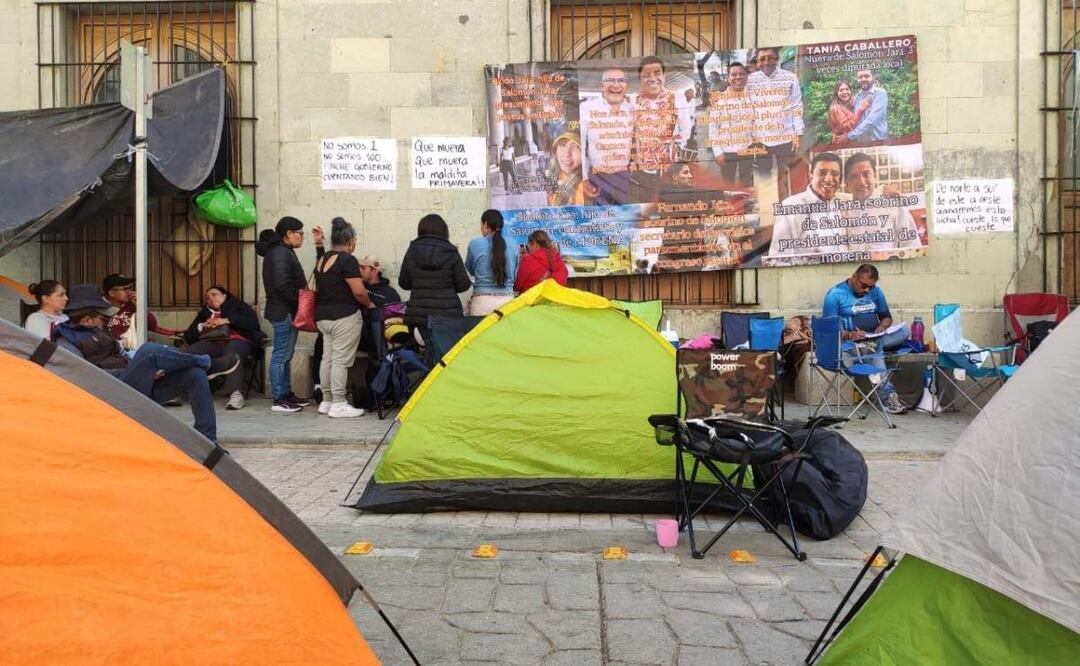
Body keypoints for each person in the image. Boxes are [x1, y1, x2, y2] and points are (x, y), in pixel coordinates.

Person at [55, 284, 239, 443]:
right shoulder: (67, 342)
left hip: (136, 385)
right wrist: (141, 370)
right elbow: (87, 377)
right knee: (149, 350)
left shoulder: (99, 333)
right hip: (112, 392)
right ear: (87, 320)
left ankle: (208, 441)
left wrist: (146, 370)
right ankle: (206, 363)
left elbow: (125, 356)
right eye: (101, 317)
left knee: (195, 375)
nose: (105, 320)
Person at [255, 216, 324, 413]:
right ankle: (279, 398)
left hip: (286, 311)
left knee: (286, 354)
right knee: (281, 355)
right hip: (283, 311)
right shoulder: (279, 253)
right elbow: (282, 286)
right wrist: (302, 301)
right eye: (300, 233)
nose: (302, 237)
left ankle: (286, 394)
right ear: (289, 234)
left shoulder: (283, 251)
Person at [822, 264, 908, 414]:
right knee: (874, 350)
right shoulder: (835, 295)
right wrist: (850, 335)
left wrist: (882, 325)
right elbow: (830, 330)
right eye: (864, 286)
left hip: (874, 337)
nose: (867, 290)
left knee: (904, 331)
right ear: (854, 277)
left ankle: (872, 345)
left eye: (871, 286)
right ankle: (888, 396)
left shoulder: (876, 291)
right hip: (851, 343)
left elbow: (886, 317)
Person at [313, 217, 373, 418]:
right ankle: (339, 403)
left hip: (323, 317)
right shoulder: (347, 259)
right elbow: (358, 291)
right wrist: (369, 303)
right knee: (340, 361)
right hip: (344, 316)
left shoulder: (322, 259)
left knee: (327, 359)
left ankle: (327, 400)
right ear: (350, 241)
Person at [182, 285, 265, 411]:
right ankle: (175, 390)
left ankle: (235, 394)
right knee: (192, 351)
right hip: (212, 343)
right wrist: (201, 326)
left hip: (237, 340)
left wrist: (227, 320)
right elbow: (188, 337)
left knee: (232, 353)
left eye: (214, 294)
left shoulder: (237, 306)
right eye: (207, 297)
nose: (210, 298)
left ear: (225, 295)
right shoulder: (204, 313)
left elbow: (252, 324)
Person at [399, 213, 471, 334]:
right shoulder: (451, 251)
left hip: (418, 316)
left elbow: (404, 283)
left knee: (423, 350)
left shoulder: (412, 250)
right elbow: (463, 284)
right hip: (448, 316)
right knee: (445, 351)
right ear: (444, 231)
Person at [769, 151, 849, 258]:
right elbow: (778, 258)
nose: (829, 179)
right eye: (822, 173)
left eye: (835, 174)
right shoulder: (790, 207)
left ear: (840, 179)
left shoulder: (848, 202)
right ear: (811, 176)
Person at [842, 153, 922, 253]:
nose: (861, 182)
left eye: (866, 174)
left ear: (875, 177)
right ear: (846, 184)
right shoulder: (841, 208)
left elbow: (912, 244)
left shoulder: (893, 202)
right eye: (854, 176)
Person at [631, 56, 684, 201]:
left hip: (668, 167)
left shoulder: (677, 99)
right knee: (646, 203)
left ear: (664, 76)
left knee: (669, 204)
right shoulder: (633, 101)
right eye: (646, 75)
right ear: (640, 79)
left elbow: (685, 131)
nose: (652, 78)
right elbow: (632, 133)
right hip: (643, 168)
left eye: (657, 73)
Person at [580, 67, 635, 205]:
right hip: (597, 176)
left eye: (621, 80)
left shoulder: (633, 109)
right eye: (610, 80)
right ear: (602, 85)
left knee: (624, 217)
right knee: (601, 219)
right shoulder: (586, 108)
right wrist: (584, 178)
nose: (616, 85)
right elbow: (579, 144)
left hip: (624, 176)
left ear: (626, 85)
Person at [746, 47, 804, 174]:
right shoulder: (750, 81)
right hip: (760, 139)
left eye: (770, 58)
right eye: (762, 59)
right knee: (763, 175)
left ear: (777, 60)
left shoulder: (790, 77)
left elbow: (796, 106)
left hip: (786, 138)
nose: (766, 62)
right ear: (757, 61)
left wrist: (798, 134)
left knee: (787, 175)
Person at [707, 62, 756, 185]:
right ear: (728, 78)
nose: (738, 77)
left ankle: (746, 203)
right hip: (726, 151)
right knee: (728, 183)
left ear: (746, 77)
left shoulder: (753, 97)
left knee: (747, 183)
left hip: (747, 149)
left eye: (741, 74)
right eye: (734, 74)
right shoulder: (719, 100)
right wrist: (718, 152)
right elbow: (713, 128)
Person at [465, 209, 519, 316]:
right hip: (507, 303)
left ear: (485, 224)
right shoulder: (513, 244)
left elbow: (470, 269)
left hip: (481, 302)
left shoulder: (475, 243)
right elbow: (515, 273)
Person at [547, 126, 586, 206]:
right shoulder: (554, 175)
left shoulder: (583, 188)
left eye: (576, 147)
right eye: (563, 145)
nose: (567, 154)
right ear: (556, 150)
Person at [848, 69, 888, 143]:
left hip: (878, 141)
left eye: (866, 76)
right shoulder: (857, 97)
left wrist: (850, 135)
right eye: (860, 77)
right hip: (861, 142)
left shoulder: (880, 93)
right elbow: (855, 119)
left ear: (873, 77)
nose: (863, 79)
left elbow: (872, 121)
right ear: (857, 79)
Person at [827, 79, 871, 146]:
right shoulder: (835, 108)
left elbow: (860, 97)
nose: (845, 92)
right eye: (841, 90)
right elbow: (847, 126)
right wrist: (861, 110)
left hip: (853, 140)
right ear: (836, 93)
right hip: (842, 143)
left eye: (847, 89)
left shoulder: (849, 103)